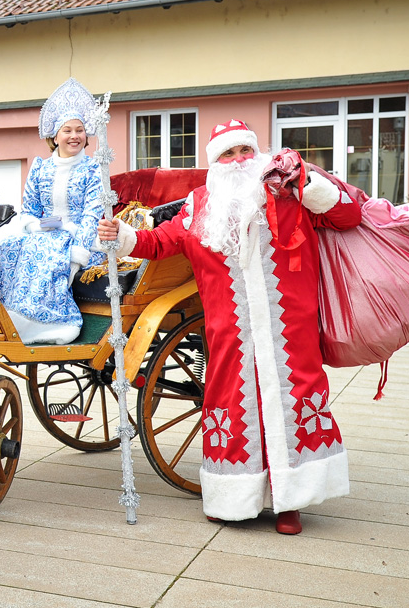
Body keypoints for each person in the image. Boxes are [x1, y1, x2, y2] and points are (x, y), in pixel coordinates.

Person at [97, 120, 362, 534]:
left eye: (244, 151)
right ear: (214, 163)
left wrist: (309, 184)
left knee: (294, 399)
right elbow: (161, 242)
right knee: (232, 402)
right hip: (230, 329)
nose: (238, 160)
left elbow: (348, 215)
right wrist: (123, 233)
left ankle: (291, 502)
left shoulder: (287, 188)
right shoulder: (199, 204)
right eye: (228, 153)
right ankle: (233, 497)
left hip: (289, 326)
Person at [0, 78, 108, 344]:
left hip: (79, 237)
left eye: (79, 130)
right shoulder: (40, 167)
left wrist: (77, 254)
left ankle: (46, 323)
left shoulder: (93, 170)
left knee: (42, 251)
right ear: (55, 136)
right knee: (9, 245)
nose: (74, 136)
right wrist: (36, 226)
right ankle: (7, 315)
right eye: (67, 130)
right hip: (43, 232)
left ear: (86, 136)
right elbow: (29, 209)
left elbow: (91, 216)